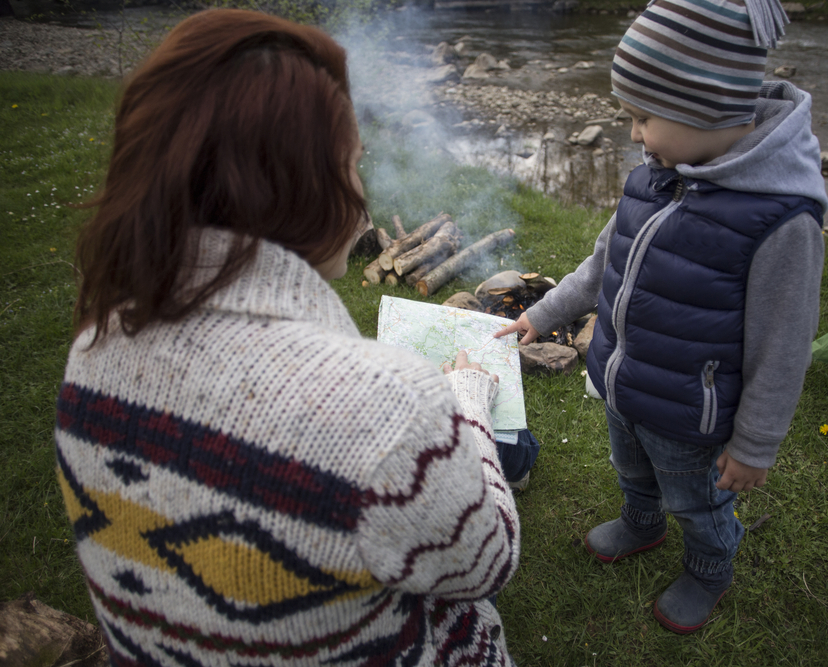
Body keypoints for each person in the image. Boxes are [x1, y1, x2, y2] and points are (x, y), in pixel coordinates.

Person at [55, 10, 520, 666]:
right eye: (354, 166)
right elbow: (486, 560)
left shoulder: (92, 347)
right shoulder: (387, 406)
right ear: (296, 184)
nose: (361, 199)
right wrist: (466, 396)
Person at [497, 0, 827, 634]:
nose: (632, 133)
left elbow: (783, 347)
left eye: (643, 117)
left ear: (704, 109)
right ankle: (640, 523)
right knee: (632, 468)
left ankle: (709, 565)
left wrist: (755, 443)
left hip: (692, 416)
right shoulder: (656, 176)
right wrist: (542, 313)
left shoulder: (780, 220)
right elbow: (602, 263)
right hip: (625, 386)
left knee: (699, 501)